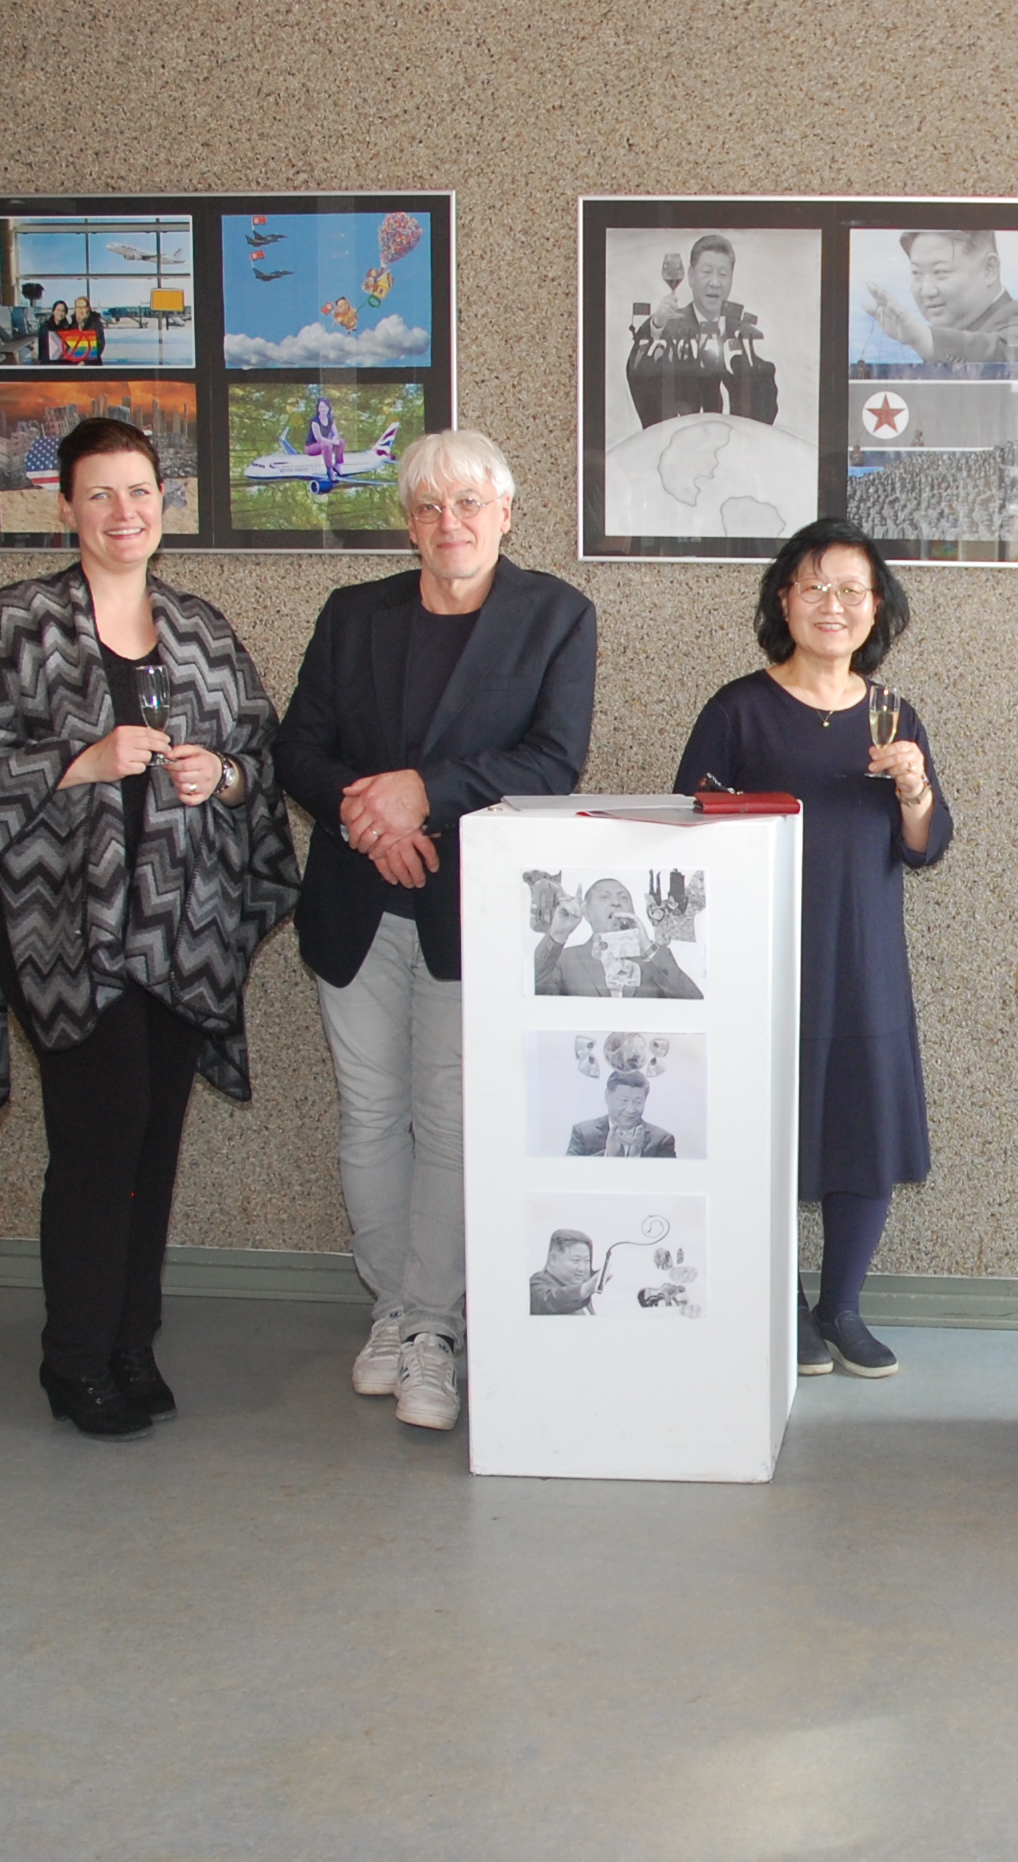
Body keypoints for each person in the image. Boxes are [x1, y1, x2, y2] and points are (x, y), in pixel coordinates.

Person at [0, 417, 301, 1439]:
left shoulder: (201, 631)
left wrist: (222, 775)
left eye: (139, 491)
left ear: (162, 504)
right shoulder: (16, 626)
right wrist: (78, 763)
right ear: (65, 508)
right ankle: (76, 1358)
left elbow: (258, 760)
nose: (123, 512)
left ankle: (134, 1342)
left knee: (154, 1139)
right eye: (99, 494)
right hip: (60, 929)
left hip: (180, 927)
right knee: (99, 1139)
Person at [277, 427, 598, 1432]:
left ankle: (432, 1328)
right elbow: (299, 750)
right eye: (427, 506)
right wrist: (372, 824)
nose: (448, 521)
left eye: (467, 503)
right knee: (370, 1115)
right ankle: (389, 1309)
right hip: (357, 899)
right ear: (407, 524)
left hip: (475, 911)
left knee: (452, 1119)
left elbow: (552, 760)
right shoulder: (352, 615)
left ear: (504, 513)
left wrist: (422, 793)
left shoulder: (556, 616)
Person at [674, 519, 951, 1379]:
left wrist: (914, 789)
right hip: (762, 963)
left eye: (853, 590)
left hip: (864, 961)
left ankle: (842, 1308)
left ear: (878, 608)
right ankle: (784, 1304)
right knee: (764, 1134)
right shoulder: (737, 710)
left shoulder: (893, 714)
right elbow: (688, 828)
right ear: (784, 600)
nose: (834, 605)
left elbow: (926, 847)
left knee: (862, 1134)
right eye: (815, 586)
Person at [861, 227, 1018, 376]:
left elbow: (1005, 361)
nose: (926, 290)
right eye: (917, 274)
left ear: (989, 269)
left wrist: (923, 338)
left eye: (940, 272)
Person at [627, 233, 778, 426]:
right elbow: (641, 379)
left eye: (722, 274)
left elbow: (765, 410)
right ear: (690, 276)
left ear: (731, 280)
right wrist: (656, 326)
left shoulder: (745, 332)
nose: (714, 282)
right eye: (707, 272)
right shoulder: (669, 326)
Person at [530, 873, 706, 998]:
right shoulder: (565, 960)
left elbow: (694, 1002)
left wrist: (647, 948)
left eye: (623, 898)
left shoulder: (655, 957)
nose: (616, 903)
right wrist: (557, 935)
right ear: (586, 913)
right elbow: (532, 994)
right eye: (604, 897)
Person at [567, 1070, 679, 1158]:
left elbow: (669, 1178)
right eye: (623, 1100)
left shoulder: (662, 1140)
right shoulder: (583, 1133)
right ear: (607, 1096)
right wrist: (608, 1155)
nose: (630, 1110)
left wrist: (636, 1156)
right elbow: (569, 1174)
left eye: (637, 1102)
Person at [530, 1232, 598, 1316]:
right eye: (576, 1260)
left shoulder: (577, 1287)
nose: (582, 1268)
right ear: (553, 1260)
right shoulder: (537, 1286)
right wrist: (586, 1289)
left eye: (586, 1261)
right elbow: (551, 1300)